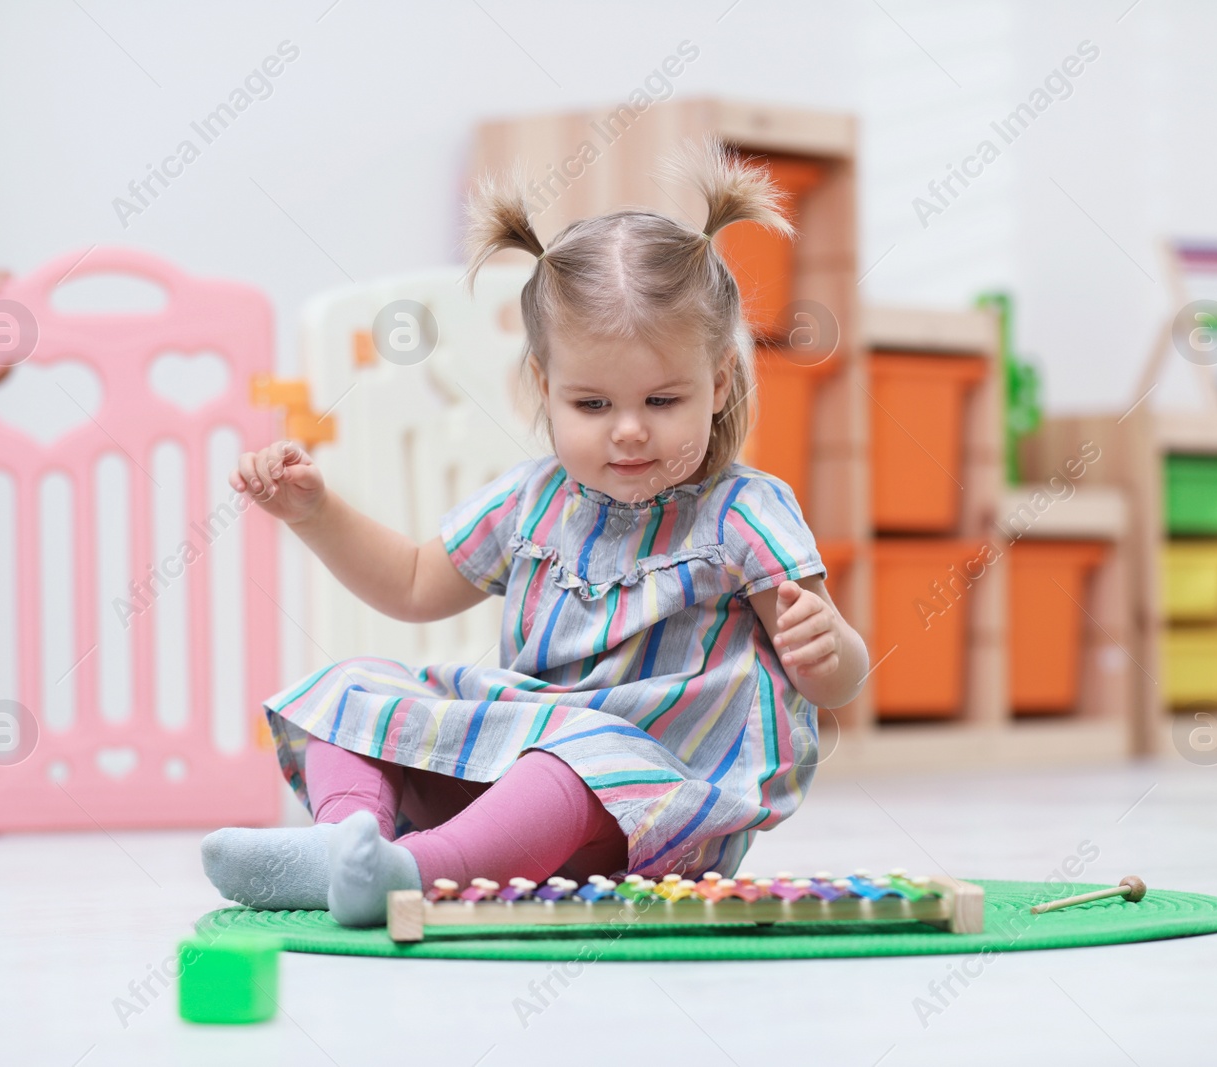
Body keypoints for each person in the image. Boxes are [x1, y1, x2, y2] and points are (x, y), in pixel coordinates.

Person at [202, 139, 870, 927]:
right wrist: (315, 513)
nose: (628, 431)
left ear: (719, 383)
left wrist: (830, 649)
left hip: (652, 806)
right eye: (592, 405)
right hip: (518, 770)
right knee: (350, 689)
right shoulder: (531, 502)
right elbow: (414, 584)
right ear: (546, 389)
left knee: (568, 763)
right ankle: (344, 847)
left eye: (663, 401)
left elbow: (835, 684)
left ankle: (413, 872)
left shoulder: (744, 513)